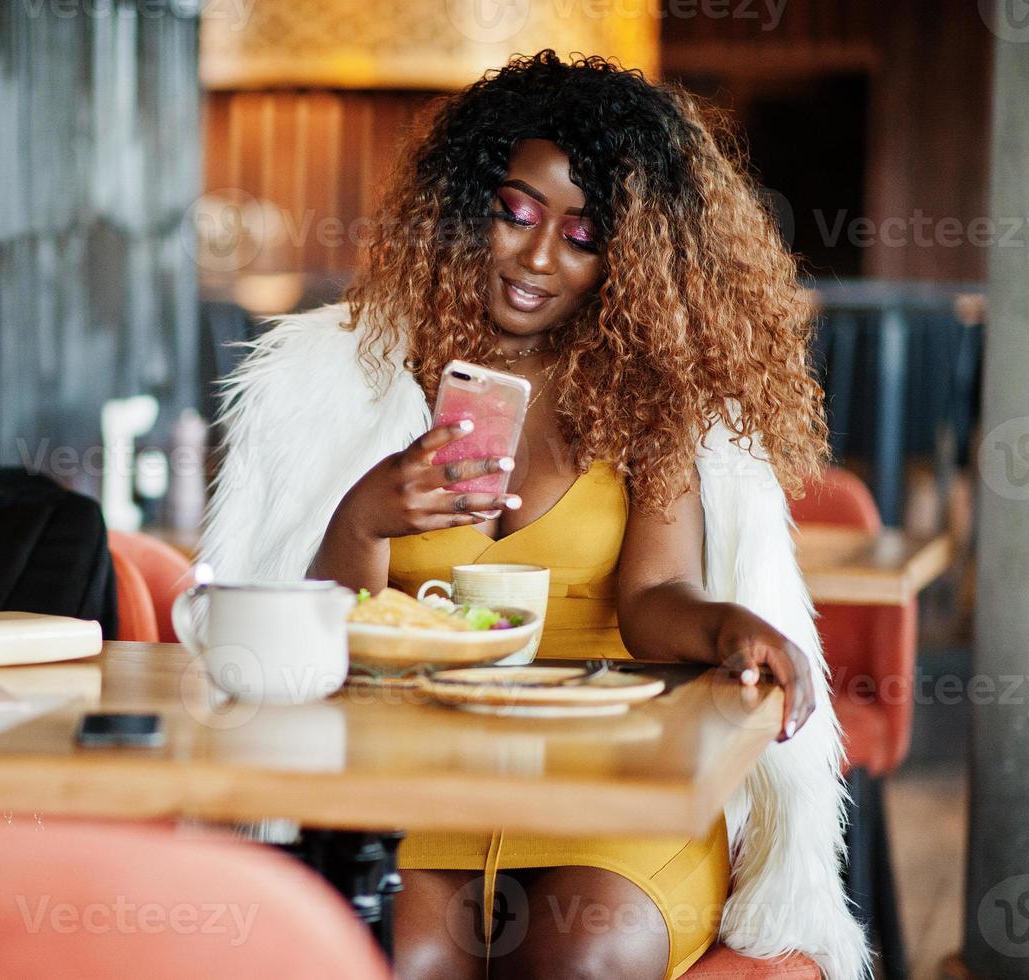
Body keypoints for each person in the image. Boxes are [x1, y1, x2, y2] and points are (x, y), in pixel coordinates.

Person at [200, 51, 867, 979]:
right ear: (463, 206)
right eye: (513, 213)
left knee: (580, 948)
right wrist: (361, 518)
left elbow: (654, 594)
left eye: (583, 234)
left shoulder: (649, 392)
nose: (537, 256)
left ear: (630, 256)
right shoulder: (355, 380)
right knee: (398, 953)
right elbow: (314, 644)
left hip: (615, 786)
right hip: (419, 779)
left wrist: (728, 624)